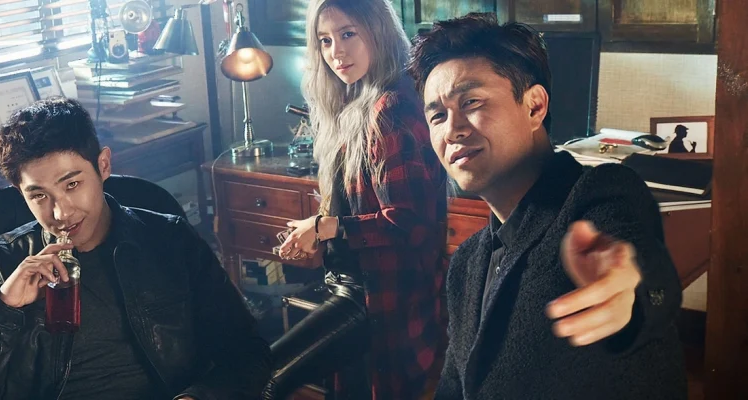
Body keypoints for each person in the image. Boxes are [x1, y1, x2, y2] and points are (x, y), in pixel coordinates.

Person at [408, 14, 686, 400]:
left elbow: (638, 258)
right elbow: (455, 387)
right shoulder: (467, 264)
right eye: (437, 115)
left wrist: (630, 289)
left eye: (471, 102)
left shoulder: (597, 193)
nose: (452, 129)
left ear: (534, 106)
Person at [0, 98, 272, 400]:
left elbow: (247, 352)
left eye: (72, 184)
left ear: (103, 166)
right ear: (21, 193)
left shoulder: (170, 240)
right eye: (39, 195)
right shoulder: (0, 261)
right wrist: (5, 308)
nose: (61, 213)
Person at [266, 0, 447, 399]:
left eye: (348, 34)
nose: (336, 52)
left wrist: (326, 227)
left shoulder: (391, 108)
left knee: (264, 377)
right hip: (356, 285)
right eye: (325, 40)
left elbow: (411, 224)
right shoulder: (357, 100)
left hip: (379, 298)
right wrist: (319, 232)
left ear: (378, 31)